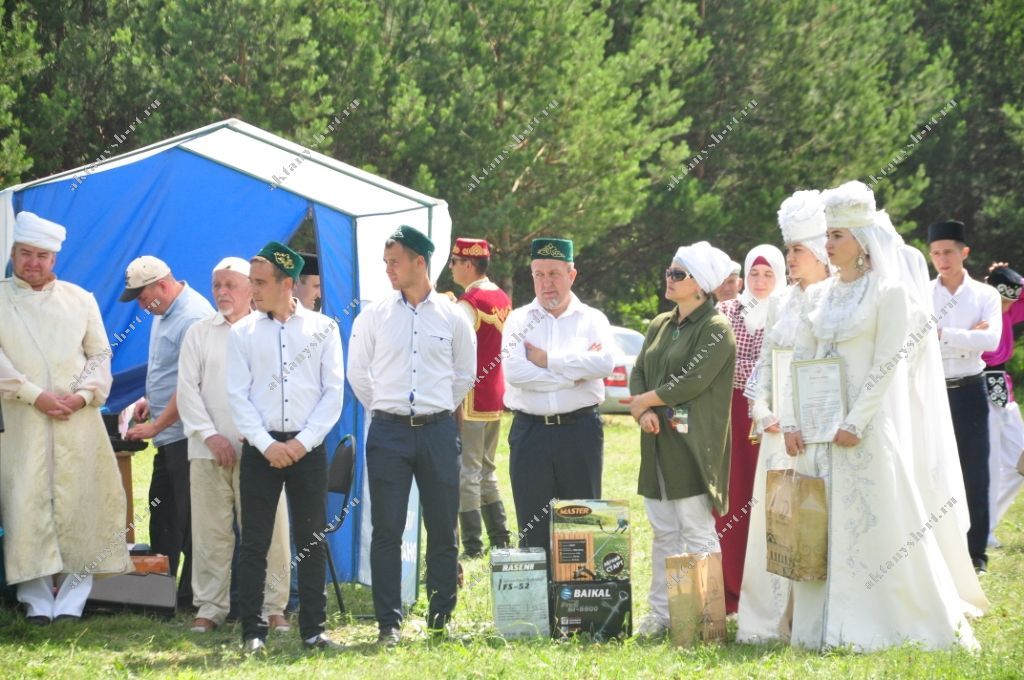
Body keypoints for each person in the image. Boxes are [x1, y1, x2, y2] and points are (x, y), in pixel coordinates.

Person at [782, 181, 977, 651]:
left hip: (863, 431)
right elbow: (800, 362)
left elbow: (889, 362)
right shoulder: (818, 296)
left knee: (878, 524)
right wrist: (793, 420)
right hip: (819, 431)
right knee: (819, 524)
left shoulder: (890, 294)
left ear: (863, 245)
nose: (826, 245)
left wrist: (857, 420)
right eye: (826, 236)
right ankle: (818, 628)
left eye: (836, 237)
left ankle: (881, 621)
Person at [348, 225, 476, 646]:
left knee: (443, 528)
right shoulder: (375, 315)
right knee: (386, 528)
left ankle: (441, 618)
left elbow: (464, 376)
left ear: (420, 263)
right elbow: (358, 375)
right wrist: (388, 410)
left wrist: (434, 407)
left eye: (394, 262)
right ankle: (389, 623)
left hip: (438, 431)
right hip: (388, 432)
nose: (388, 270)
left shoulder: (454, 316)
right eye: (385, 263)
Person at [0, 212, 129, 624]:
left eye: (41, 256)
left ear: (54, 259)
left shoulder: (80, 298)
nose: (33, 263)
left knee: (82, 503)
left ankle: (73, 600)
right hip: (21, 420)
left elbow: (99, 353)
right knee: (26, 502)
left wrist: (82, 396)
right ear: (13, 254)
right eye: (25, 254)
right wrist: (33, 395)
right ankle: (36, 598)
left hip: (78, 421)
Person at [226, 242, 343, 653]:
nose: (251, 291)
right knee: (254, 540)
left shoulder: (324, 329)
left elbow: (333, 394)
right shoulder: (241, 333)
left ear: (286, 283)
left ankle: (313, 628)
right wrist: (266, 444)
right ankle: (253, 631)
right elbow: (237, 396)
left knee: (312, 538)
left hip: (307, 447)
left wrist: (301, 443)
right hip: (262, 448)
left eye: (259, 283)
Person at [624, 240, 737, 638]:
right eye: (669, 272)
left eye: (678, 274)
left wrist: (644, 402)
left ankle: (706, 618)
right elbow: (639, 369)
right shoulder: (659, 323)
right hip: (657, 438)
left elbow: (692, 381)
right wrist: (644, 410)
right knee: (663, 531)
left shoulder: (717, 328)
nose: (668, 279)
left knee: (695, 528)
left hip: (692, 442)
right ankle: (663, 614)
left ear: (700, 285)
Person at [177, 257, 292, 633]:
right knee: (210, 532)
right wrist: (210, 435)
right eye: (217, 286)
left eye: (231, 285)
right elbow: (187, 391)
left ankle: (274, 607)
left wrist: (256, 434)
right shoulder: (199, 332)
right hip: (207, 451)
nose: (222, 293)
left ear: (251, 288)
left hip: (259, 450)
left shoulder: (267, 329)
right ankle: (210, 608)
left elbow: (278, 388)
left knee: (269, 531)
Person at [737, 190, 830, 643]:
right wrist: (761, 408)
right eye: (788, 249)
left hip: (819, 431)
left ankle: (811, 617)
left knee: (814, 521)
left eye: (796, 250)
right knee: (774, 522)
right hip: (777, 431)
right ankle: (772, 617)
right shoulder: (782, 303)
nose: (790, 258)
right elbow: (763, 364)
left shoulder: (834, 299)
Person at [502, 238, 615, 555]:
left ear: (572, 274)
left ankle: (578, 601)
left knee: (582, 523)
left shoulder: (592, 319)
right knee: (532, 528)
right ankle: (540, 604)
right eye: (539, 274)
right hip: (530, 434)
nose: (546, 283)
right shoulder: (519, 320)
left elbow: (604, 363)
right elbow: (514, 373)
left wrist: (547, 360)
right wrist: (574, 372)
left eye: (554, 273)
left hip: (579, 432)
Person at [122, 254, 214, 609]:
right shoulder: (166, 311)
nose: (142, 306)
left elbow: (192, 382)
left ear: (162, 284)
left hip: (185, 436)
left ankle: (192, 597)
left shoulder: (191, 316)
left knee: (190, 520)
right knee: (164, 513)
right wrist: (150, 399)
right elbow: (169, 370)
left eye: (143, 298)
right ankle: (161, 593)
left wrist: (158, 423)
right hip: (171, 436)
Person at [714, 243, 785, 614]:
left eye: (768, 274)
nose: (760, 281)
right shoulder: (727, 310)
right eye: (754, 273)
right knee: (733, 498)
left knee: (773, 500)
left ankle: (771, 592)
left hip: (772, 414)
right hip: (731, 412)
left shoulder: (788, 311)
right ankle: (730, 589)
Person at [928, 220, 1002, 573]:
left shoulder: (984, 294)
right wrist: (963, 334)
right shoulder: (923, 294)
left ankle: (976, 555)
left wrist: (941, 333)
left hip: (970, 388)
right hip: (932, 390)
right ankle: (939, 549)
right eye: (936, 253)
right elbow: (916, 339)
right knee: (932, 469)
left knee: (975, 472)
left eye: (948, 252)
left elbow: (991, 341)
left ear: (964, 252)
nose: (942, 259)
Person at [448, 237, 513, 557]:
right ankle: (500, 537)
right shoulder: (501, 297)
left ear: (468, 264)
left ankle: (473, 545)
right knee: (487, 468)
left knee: (468, 471)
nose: (451, 267)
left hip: (470, 395)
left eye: (455, 262)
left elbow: (452, 347)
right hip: (495, 393)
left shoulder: (468, 303)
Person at [982, 263, 1024, 545]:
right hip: (976, 391)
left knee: (1019, 462)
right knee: (987, 464)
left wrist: (1015, 278)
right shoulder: (975, 308)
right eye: (1004, 301)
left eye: (1012, 301)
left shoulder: (1008, 313)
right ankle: (982, 529)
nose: (1008, 307)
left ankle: (985, 522)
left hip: (1002, 392)